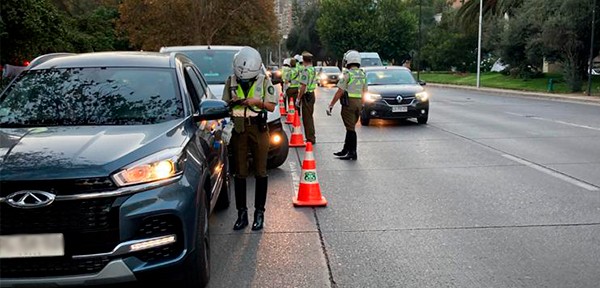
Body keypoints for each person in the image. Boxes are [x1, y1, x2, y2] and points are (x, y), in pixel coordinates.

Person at [222, 46, 277, 231]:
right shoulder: (230, 81)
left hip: (258, 129)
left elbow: (271, 106)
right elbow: (225, 105)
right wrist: (233, 102)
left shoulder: (263, 81)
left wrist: (256, 102)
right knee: (240, 173)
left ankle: (259, 213)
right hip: (239, 130)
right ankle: (242, 214)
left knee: (261, 171)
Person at [326, 50, 367, 160]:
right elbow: (365, 91)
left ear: (348, 61)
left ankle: (352, 152)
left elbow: (340, 91)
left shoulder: (347, 74)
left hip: (349, 103)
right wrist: (363, 104)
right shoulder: (362, 74)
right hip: (359, 103)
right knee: (351, 127)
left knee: (350, 129)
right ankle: (346, 149)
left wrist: (331, 105)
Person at [296, 51, 317, 144]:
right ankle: (311, 136)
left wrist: (298, 98)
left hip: (307, 95)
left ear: (304, 61)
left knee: (307, 118)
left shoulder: (305, 71)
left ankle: (310, 138)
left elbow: (303, 86)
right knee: (310, 116)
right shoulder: (313, 69)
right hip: (312, 94)